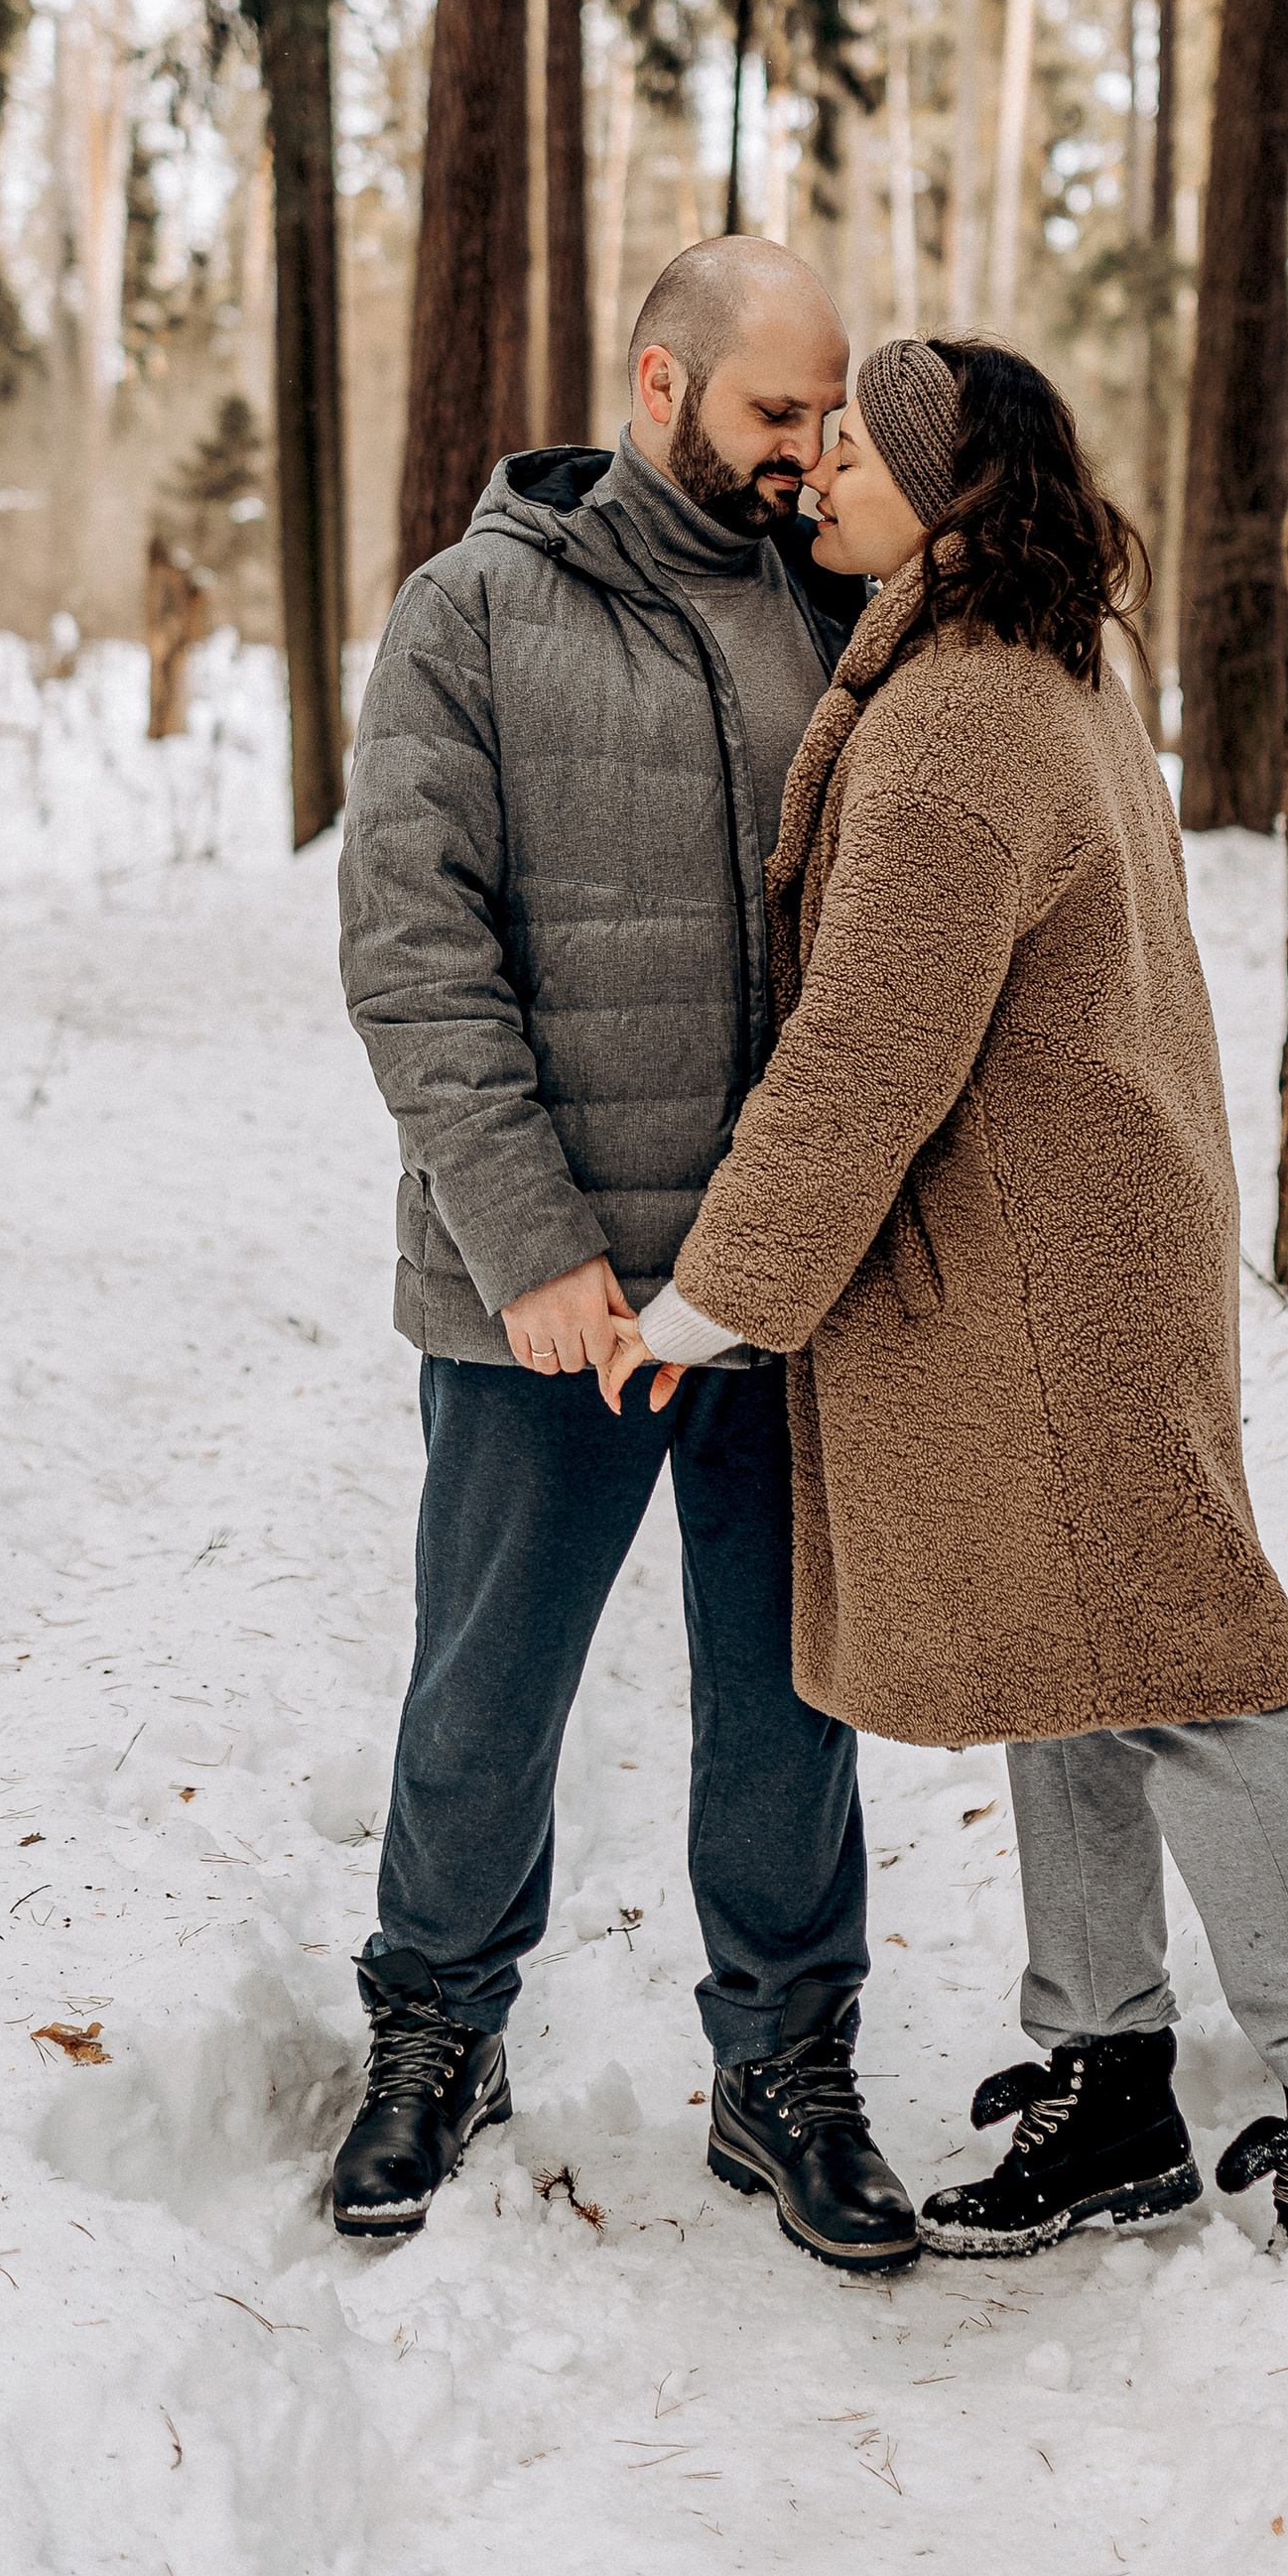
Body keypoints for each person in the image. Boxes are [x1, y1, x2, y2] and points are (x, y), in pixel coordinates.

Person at [598, 335, 1288, 2258]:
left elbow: (863, 1055)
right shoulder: (1017, 653)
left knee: (1177, 1656)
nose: (818, 470)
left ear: (946, 495)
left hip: (1052, 1272)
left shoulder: (962, 708)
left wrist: (711, 1297)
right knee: (1071, 1667)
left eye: (858, 453)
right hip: (1058, 1243)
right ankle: (1106, 2075)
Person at [331, 240, 920, 2269]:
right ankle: (431, 2026)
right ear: (660, 385)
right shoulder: (470, 612)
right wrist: (532, 1247)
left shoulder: (841, 614)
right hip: (548, 1300)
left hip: (774, 1288)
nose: (805, 450)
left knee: (785, 1703)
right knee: (483, 1692)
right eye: (777, 410)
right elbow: (412, 950)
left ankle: (785, 2064)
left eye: (826, 416)